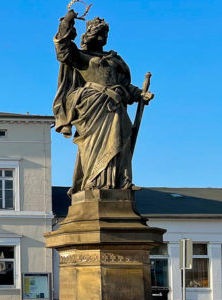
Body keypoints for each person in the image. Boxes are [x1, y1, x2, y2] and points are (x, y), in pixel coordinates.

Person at [52, 9, 154, 195]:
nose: (104, 39)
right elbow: (63, 49)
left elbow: (123, 84)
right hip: (93, 107)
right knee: (94, 146)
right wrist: (67, 22)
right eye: (100, 35)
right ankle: (94, 182)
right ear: (91, 36)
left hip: (116, 105)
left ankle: (121, 182)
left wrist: (140, 94)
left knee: (122, 139)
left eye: (106, 35)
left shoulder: (114, 59)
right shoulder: (82, 57)